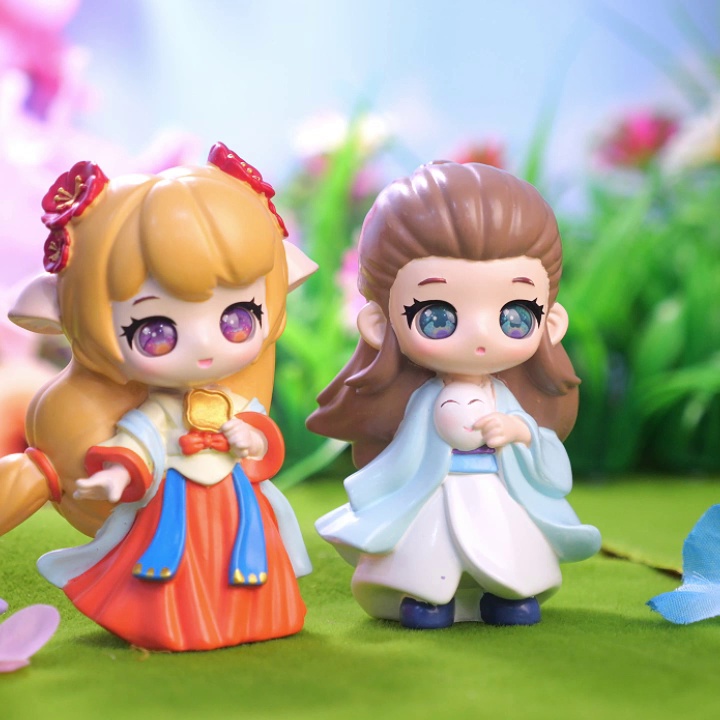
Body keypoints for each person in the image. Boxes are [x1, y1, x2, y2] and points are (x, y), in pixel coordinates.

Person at [4, 143, 316, 650]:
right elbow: (139, 440)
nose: (206, 345)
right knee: (173, 564)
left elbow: (260, 432)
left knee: (248, 557)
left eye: (237, 318)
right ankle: (179, 622)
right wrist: (116, 474)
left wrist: (251, 439)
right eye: (155, 331)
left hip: (235, 500)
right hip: (176, 503)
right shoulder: (160, 408)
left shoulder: (230, 397)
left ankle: (254, 618)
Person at [310, 161, 600, 629]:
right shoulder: (420, 402)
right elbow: (403, 457)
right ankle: (427, 596)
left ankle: (505, 592)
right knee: (429, 549)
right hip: (436, 491)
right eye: (437, 316)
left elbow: (546, 459)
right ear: (380, 323)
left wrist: (519, 431)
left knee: (508, 549)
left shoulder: (506, 397)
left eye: (514, 315)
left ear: (551, 321)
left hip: (497, 490)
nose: (480, 336)